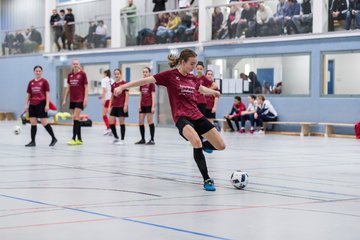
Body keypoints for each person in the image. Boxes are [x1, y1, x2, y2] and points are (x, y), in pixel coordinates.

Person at [114, 49, 225, 191]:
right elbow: (146, 80)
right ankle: (207, 179)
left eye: (195, 64)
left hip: (196, 115)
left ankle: (204, 146)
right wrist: (123, 86)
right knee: (196, 141)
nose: (194, 67)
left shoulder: (192, 78)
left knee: (221, 145)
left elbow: (200, 88)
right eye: (192, 64)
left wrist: (213, 92)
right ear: (183, 62)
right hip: (182, 117)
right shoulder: (170, 75)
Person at [24, 66, 57, 147]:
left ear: (41, 72)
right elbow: (28, 94)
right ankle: (33, 141)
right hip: (32, 104)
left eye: (39, 71)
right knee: (33, 123)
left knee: (44, 122)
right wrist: (26, 104)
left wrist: (47, 104)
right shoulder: (31, 82)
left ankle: (53, 138)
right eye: (36, 71)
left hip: (41, 103)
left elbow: (47, 94)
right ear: (34, 72)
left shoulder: (44, 81)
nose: (38, 72)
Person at [62, 59, 88, 145]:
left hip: (80, 99)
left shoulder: (83, 74)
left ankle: (73, 138)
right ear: (72, 65)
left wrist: (85, 99)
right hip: (72, 99)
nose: (75, 65)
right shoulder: (70, 75)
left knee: (76, 117)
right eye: (74, 64)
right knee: (76, 118)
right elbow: (68, 88)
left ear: (79, 65)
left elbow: (86, 87)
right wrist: (65, 99)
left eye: (77, 64)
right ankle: (79, 139)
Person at [135, 67, 156, 145]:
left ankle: (152, 139)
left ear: (149, 73)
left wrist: (153, 106)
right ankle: (142, 139)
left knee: (150, 121)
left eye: (146, 72)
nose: (144, 73)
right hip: (142, 105)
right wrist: (139, 105)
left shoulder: (151, 83)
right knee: (140, 121)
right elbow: (140, 94)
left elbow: (153, 95)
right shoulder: (142, 83)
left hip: (149, 105)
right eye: (143, 72)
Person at [109, 69, 129, 145]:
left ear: (120, 74)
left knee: (121, 122)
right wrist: (109, 106)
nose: (116, 75)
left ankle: (122, 139)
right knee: (110, 121)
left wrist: (126, 104)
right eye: (115, 74)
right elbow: (112, 96)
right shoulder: (113, 85)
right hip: (115, 105)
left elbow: (127, 94)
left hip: (122, 105)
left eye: (118, 74)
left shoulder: (124, 83)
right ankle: (116, 137)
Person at [100, 69, 114, 135]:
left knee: (104, 114)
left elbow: (104, 90)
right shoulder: (112, 80)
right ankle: (112, 129)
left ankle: (109, 128)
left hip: (108, 99)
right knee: (112, 115)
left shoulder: (104, 80)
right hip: (113, 99)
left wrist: (103, 98)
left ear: (105, 74)